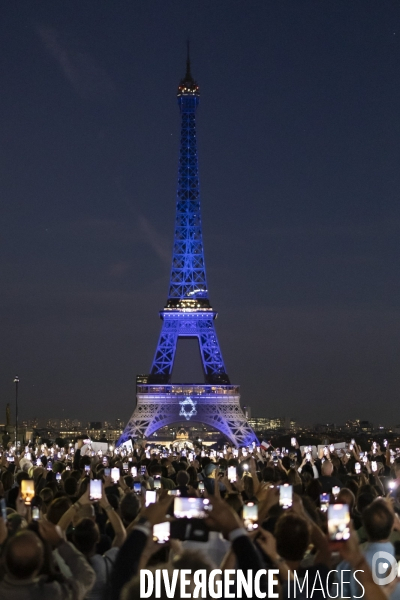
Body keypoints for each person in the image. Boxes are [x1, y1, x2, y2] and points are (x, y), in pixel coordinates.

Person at [0, 521, 95, 599]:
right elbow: (87, 576)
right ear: (41, 562)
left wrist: (3, 543)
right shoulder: (53, 594)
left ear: (5, 560)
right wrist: (60, 543)